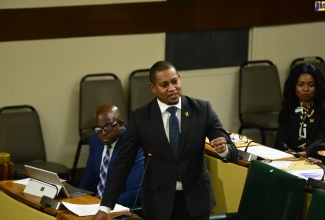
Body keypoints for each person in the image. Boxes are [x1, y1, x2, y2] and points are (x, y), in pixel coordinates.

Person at [93, 61, 238, 220]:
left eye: (175, 81)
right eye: (164, 84)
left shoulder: (202, 110)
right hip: (158, 205)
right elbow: (123, 164)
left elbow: (230, 149)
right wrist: (105, 208)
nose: (172, 88)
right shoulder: (140, 118)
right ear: (153, 88)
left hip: (196, 202)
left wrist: (224, 150)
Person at [79, 104, 145, 208]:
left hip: (119, 208)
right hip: (93, 207)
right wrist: (76, 201)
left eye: (108, 127)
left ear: (120, 124)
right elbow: (89, 178)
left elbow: (134, 194)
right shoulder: (95, 139)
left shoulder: (135, 144)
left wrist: (102, 207)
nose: (103, 133)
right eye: (98, 128)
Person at [274, 63, 325, 164]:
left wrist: (305, 153)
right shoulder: (289, 108)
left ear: (317, 86)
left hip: (317, 157)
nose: (305, 89)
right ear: (294, 86)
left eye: (311, 85)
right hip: (291, 158)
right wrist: (285, 150)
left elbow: (323, 139)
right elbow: (281, 138)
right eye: (300, 84)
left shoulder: (322, 108)